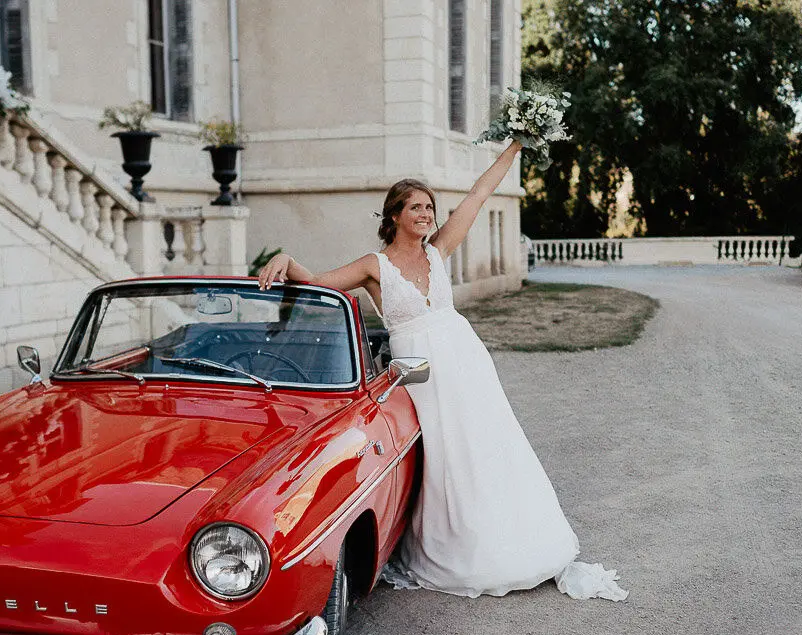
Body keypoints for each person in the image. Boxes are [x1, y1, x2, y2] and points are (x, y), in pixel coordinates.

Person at [257, 141, 627, 601]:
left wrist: (515, 147)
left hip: (465, 359)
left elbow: (477, 196)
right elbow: (319, 284)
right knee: (444, 457)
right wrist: (287, 261)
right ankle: (457, 546)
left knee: (486, 446)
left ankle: (515, 540)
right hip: (420, 370)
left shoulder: (438, 250)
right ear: (393, 215)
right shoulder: (375, 266)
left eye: (429, 206)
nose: (426, 213)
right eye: (415, 206)